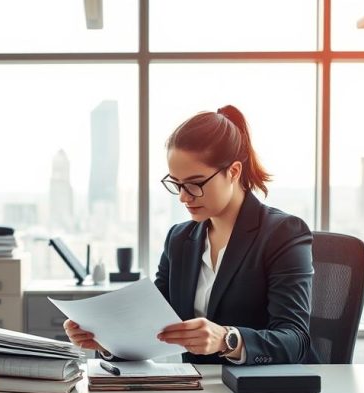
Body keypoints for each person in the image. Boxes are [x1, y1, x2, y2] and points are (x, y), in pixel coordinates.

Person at [64, 105, 314, 366]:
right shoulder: (180, 240)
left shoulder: (283, 233)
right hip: (200, 390)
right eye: (177, 184)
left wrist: (227, 339)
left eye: (195, 183)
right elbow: (150, 328)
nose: (184, 196)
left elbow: (295, 340)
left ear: (234, 172)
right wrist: (107, 340)